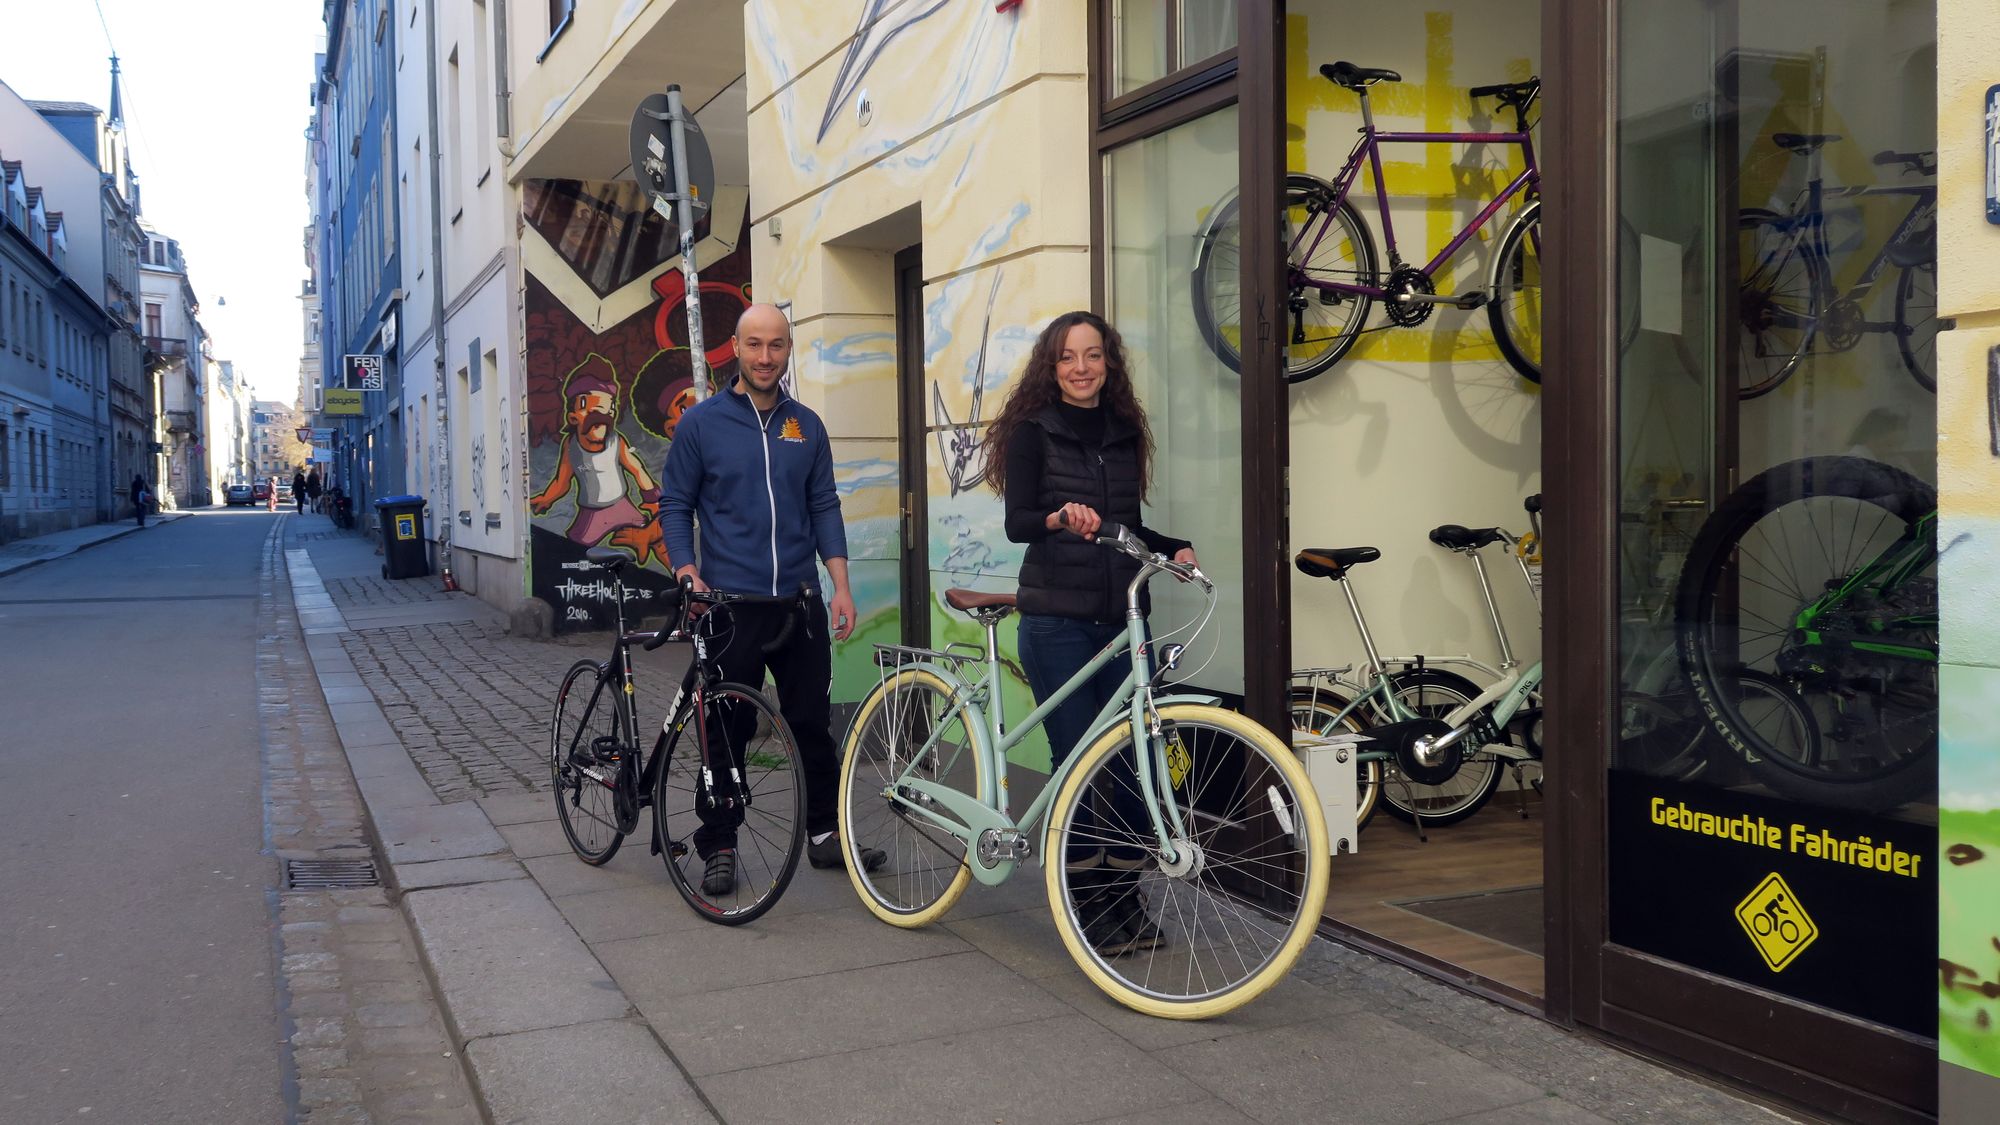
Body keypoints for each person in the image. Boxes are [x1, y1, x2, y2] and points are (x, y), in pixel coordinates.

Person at [981, 310, 1198, 957]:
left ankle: (1122, 895)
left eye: (1093, 355)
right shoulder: (1032, 432)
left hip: (1123, 618)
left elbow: (1124, 524)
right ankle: (1085, 902)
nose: (1081, 367)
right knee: (1077, 763)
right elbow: (1020, 521)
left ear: (1109, 362)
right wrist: (1058, 514)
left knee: (1135, 762)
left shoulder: (1124, 430)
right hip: (1056, 620)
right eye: (1069, 357)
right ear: (1052, 366)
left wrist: (1173, 548)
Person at [660, 303, 884, 895]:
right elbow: (675, 505)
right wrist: (687, 571)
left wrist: (840, 585)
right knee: (725, 727)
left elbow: (824, 506)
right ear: (734, 348)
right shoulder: (701, 424)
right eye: (754, 345)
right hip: (728, 607)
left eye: (776, 345)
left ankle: (824, 834)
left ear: (789, 350)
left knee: (811, 722)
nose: (765, 357)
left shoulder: (805, 425)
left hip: (799, 603)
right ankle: (720, 841)